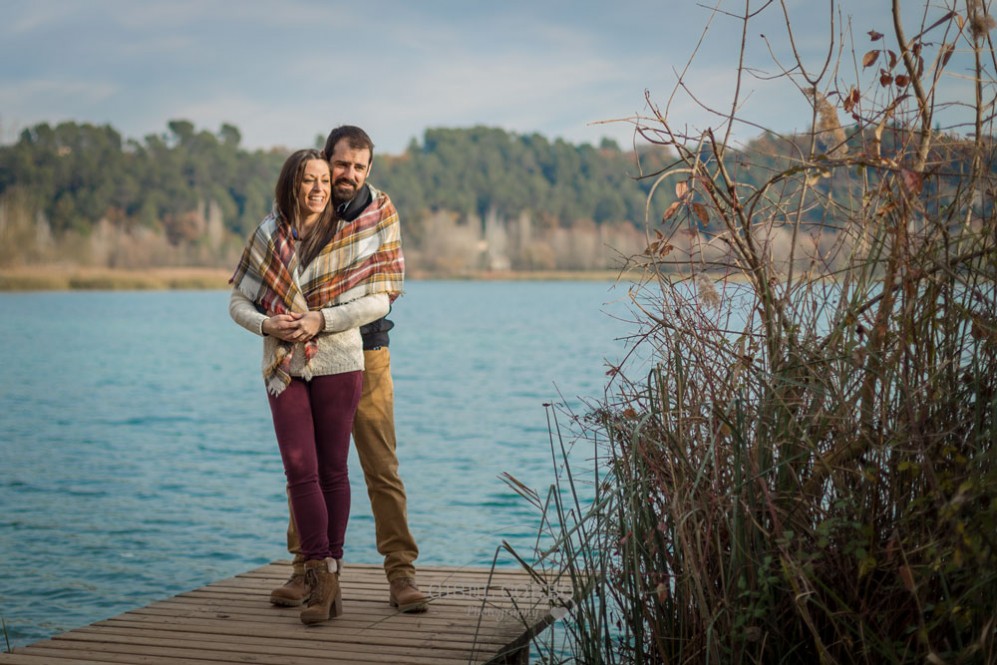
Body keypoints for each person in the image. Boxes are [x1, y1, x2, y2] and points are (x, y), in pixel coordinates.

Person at [229, 147, 404, 625]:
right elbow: (238, 301)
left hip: (342, 357)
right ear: (292, 183)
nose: (320, 188)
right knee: (298, 469)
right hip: (283, 363)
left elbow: (379, 299)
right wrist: (268, 326)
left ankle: (344, 574)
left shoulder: (352, 231)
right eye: (311, 179)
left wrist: (319, 319)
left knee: (334, 470)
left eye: (325, 181)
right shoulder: (269, 233)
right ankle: (319, 574)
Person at [267, 126, 429, 613]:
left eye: (359, 167)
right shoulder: (305, 208)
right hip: (312, 359)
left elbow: (386, 287)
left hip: (368, 353)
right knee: (309, 468)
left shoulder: (381, 211)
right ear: (326, 159)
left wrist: (327, 317)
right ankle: (305, 571)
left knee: (381, 466)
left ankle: (401, 575)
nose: (348, 175)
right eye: (342, 165)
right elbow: (278, 275)